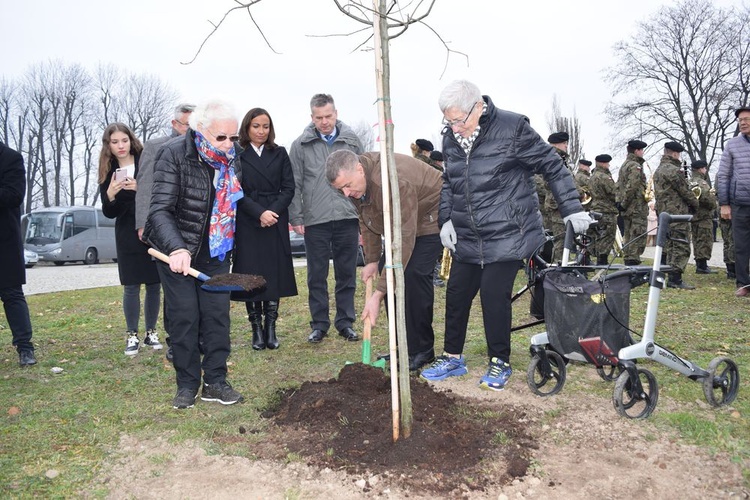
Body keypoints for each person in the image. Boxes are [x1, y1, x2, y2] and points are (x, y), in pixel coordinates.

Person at [420, 80, 589, 391]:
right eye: (449, 121)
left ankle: (500, 361)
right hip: (469, 235)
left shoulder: (512, 128)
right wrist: (446, 220)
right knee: (457, 293)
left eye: (459, 120)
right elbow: (450, 183)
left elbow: (551, 164)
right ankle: (452, 357)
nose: (455, 127)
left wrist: (571, 208)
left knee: (493, 294)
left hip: (509, 232)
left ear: (479, 107)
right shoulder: (450, 139)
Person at [144, 99, 245, 409]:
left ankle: (215, 381)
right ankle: (187, 384)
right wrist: (176, 248)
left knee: (217, 317)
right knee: (185, 316)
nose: (229, 145)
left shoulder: (232, 158)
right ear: (200, 131)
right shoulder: (174, 154)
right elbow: (159, 210)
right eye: (222, 138)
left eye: (234, 138)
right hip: (176, 252)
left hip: (215, 251)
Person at [326, 149, 443, 371]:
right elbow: (367, 219)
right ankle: (400, 345)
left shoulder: (391, 182)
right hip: (406, 220)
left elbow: (403, 238)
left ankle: (422, 350)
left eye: (348, 185)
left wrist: (378, 295)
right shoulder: (357, 186)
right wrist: (371, 260)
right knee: (386, 271)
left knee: (412, 273)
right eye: (340, 189)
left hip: (432, 214)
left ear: (359, 169)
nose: (346, 193)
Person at [289, 94, 363, 343]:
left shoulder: (352, 142)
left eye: (328, 116)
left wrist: (364, 216)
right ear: (312, 117)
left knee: (346, 273)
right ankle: (319, 324)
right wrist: (296, 215)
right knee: (316, 275)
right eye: (319, 117)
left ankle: (345, 322)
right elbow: (295, 183)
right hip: (315, 220)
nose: (324, 122)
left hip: (348, 216)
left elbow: (366, 178)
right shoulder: (300, 146)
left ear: (336, 113)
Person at [231, 108, 297, 351]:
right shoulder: (237, 154)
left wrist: (272, 213)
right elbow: (235, 190)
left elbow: (289, 188)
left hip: (275, 219)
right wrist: (259, 212)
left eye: (265, 126)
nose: (261, 131)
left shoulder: (279, 153)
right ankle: (256, 329)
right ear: (247, 127)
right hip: (249, 220)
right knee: (251, 274)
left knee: (272, 273)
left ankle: (271, 328)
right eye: (256, 126)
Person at [135, 103, 195, 362]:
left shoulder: (203, 147)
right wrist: (143, 223)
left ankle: (198, 336)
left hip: (194, 228)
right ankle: (175, 339)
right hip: (164, 226)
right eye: (186, 125)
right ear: (174, 124)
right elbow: (145, 186)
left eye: (195, 125)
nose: (190, 130)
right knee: (173, 289)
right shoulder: (155, 147)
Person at [98, 123, 162, 356]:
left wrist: (140, 189)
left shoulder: (146, 160)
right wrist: (111, 195)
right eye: (114, 142)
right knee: (131, 286)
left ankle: (151, 332)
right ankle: (132, 334)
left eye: (123, 140)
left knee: (155, 285)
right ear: (109, 145)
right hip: (126, 233)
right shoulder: (108, 168)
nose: (120, 146)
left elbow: (160, 195)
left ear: (131, 140)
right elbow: (108, 212)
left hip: (151, 230)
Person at [0, 141, 37, 367]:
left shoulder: (11, 158)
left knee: (12, 296)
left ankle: (25, 348)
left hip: (3, 241)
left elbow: (14, 195)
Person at [652, 141, 699, 290]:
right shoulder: (674, 170)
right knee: (681, 243)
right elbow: (685, 191)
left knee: (670, 244)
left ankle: (668, 274)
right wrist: (695, 205)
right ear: (674, 153)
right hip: (677, 212)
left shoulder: (658, 170)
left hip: (664, 212)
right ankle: (675, 278)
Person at [717, 106, 750, 297]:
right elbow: (724, 175)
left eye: (746, 119)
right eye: (740, 121)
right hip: (740, 203)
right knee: (741, 245)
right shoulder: (732, 145)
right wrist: (724, 203)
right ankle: (744, 283)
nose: (743, 123)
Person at [617, 140, 649, 265]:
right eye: (642, 150)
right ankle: (633, 261)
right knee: (637, 234)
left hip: (629, 208)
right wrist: (624, 203)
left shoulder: (625, 165)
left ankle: (629, 258)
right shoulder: (635, 166)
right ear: (637, 151)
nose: (643, 153)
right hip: (636, 207)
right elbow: (632, 186)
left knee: (629, 234)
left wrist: (621, 204)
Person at [543, 132, 570, 262]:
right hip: (557, 204)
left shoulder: (559, 159)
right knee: (561, 239)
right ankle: (557, 270)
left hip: (562, 203)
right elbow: (554, 181)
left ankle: (560, 267)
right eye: (564, 143)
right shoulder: (553, 158)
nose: (566, 146)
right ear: (556, 144)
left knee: (564, 239)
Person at [588, 154, 618, 265]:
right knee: (607, 235)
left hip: (596, 208)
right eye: (607, 163)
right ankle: (603, 259)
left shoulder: (593, 176)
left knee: (600, 233)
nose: (609, 165)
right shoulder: (604, 177)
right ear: (603, 163)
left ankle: (598, 257)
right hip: (607, 210)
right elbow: (613, 193)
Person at [689, 160, 718, 274]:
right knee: (704, 240)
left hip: (694, 216)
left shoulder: (690, 181)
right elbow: (707, 199)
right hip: (704, 215)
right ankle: (702, 266)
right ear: (701, 169)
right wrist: (714, 202)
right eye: (705, 169)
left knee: (697, 239)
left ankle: (700, 264)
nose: (705, 171)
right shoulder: (702, 183)